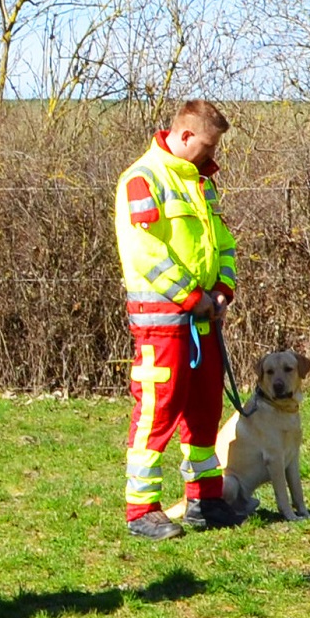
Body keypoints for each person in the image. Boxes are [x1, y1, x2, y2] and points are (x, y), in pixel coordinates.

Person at [113, 98, 247, 540]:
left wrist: (223, 289)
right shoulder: (142, 180)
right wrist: (193, 297)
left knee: (205, 409)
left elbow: (222, 242)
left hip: (203, 316)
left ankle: (204, 500)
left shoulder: (201, 182)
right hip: (161, 319)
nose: (212, 155)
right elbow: (145, 254)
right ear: (185, 135)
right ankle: (142, 510)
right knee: (158, 409)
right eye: (207, 145)